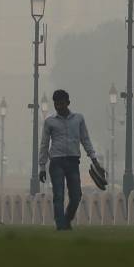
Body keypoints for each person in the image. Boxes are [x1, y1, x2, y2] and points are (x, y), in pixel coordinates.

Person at [38, 89, 101, 231]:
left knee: (76, 195)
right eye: (56, 104)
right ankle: (61, 226)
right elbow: (44, 144)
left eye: (61, 103)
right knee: (58, 195)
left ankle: (67, 219)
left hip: (73, 161)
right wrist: (42, 166)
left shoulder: (78, 119)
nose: (59, 107)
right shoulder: (50, 122)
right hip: (56, 161)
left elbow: (85, 139)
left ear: (68, 102)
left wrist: (94, 159)